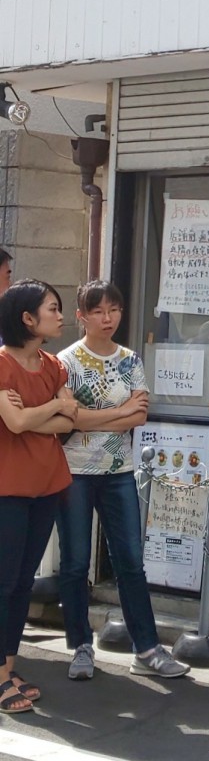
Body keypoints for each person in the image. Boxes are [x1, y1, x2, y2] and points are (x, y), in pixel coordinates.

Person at [56, 280, 190, 681]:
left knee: (131, 561)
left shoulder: (130, 360)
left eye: (113, 309)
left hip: (119, 471)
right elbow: (69, 418)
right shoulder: (65, 362)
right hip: (74, 471)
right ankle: (80, 645)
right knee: (76, 562)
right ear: (81, 316)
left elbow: (139, 417)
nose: (107, 318)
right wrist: (115, 413)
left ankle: (147, 649)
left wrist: (92, 417)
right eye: (97, 311)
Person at [0, 279, 77, 714]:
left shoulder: (53, 366)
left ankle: (7, 669)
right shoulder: (2, 364)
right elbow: (14, 423)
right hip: (7, 488)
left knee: (22, 583)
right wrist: (51, 408)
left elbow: (69, 422)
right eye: (52, 308)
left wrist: (36, 414)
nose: (59, 315)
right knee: (4, 582)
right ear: (27, 319)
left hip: (45, 484)